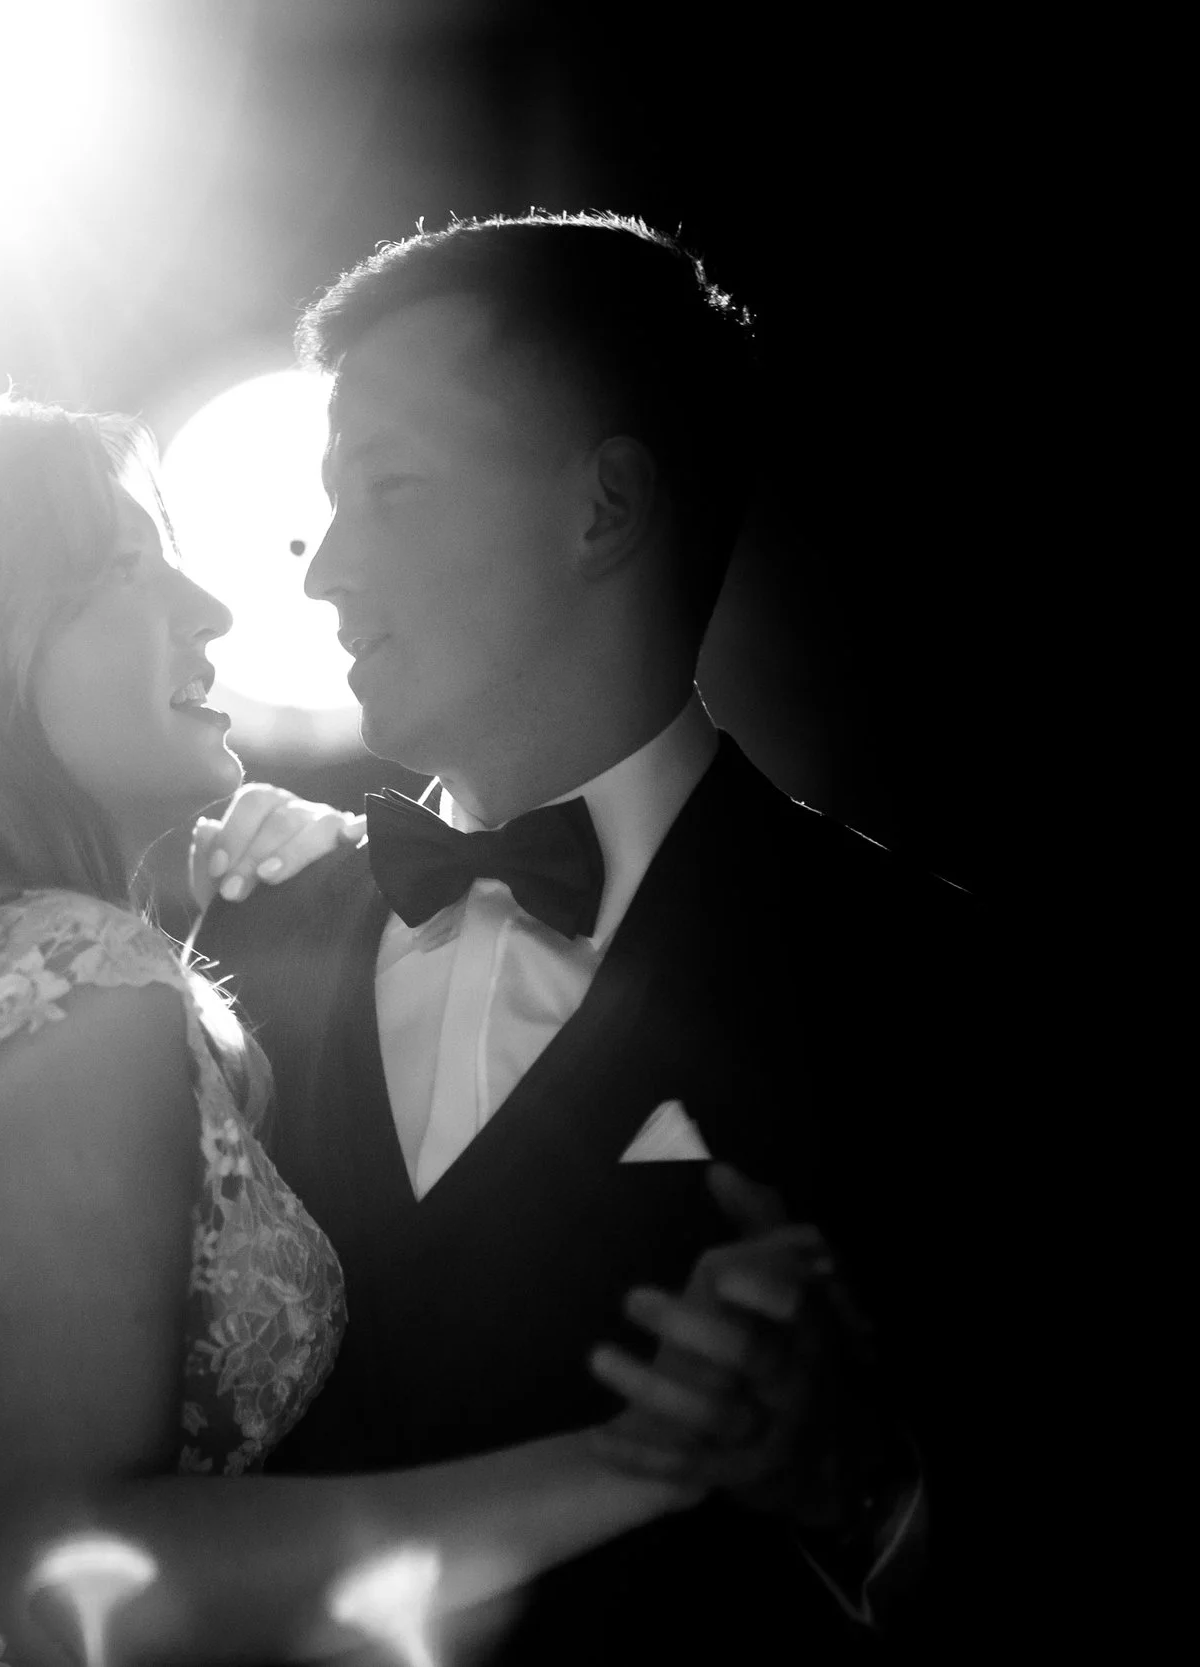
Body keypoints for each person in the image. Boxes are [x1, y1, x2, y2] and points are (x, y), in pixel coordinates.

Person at [0, 393, 816, 1666]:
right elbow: (74, 1575)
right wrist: (648, 1456)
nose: (210, 612)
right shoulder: (70, 979)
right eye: (132, 567)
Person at [190, 212, 1007, 1663]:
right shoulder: (242, 935)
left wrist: (861, 1483)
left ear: (603, 509)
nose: (324, 578)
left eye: (389, 490)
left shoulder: (923, 980)